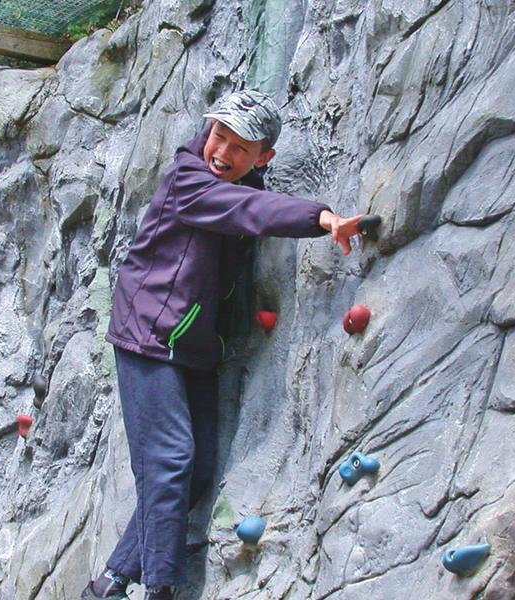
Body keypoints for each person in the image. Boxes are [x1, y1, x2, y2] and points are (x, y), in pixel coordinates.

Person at [82, 90, 366, 600]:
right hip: (149, 332)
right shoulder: (188, 180)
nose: (223, 152)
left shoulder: (243, 183)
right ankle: (159, 588)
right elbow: (251, 209)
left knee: (198, 470)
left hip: (191, 342)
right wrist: (322, 219)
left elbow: (250, 202)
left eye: (241, 146)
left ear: (264, 158)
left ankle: (110, 581)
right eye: (219, 136)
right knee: (169, 458)